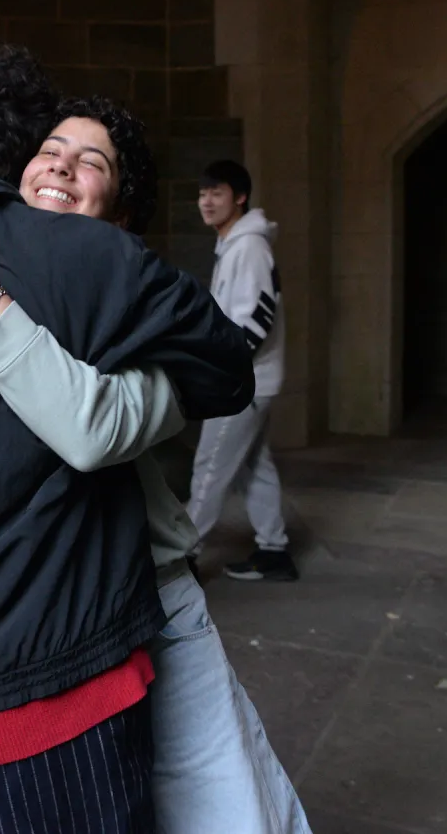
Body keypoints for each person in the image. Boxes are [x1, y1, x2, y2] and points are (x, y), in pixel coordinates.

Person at [0, 99, 313, 833]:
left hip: (144, 588)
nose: (63, 165)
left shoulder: (135, 324)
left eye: (93, 162)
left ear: (119, 220)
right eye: (52, 148)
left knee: (221, 800)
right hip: (16, 606)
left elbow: (89, 427)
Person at [188, 160, 296, 582]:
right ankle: (275, 551)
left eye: (216, 192)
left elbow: (258, 316)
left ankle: (179, 558)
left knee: (210, 468)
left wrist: (223, 370)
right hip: (253, 380)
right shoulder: (236, 244)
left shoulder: (249, 247)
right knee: (255, 467)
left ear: (240, 197)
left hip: (243, 384)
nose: (206, 201)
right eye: (202, 194)